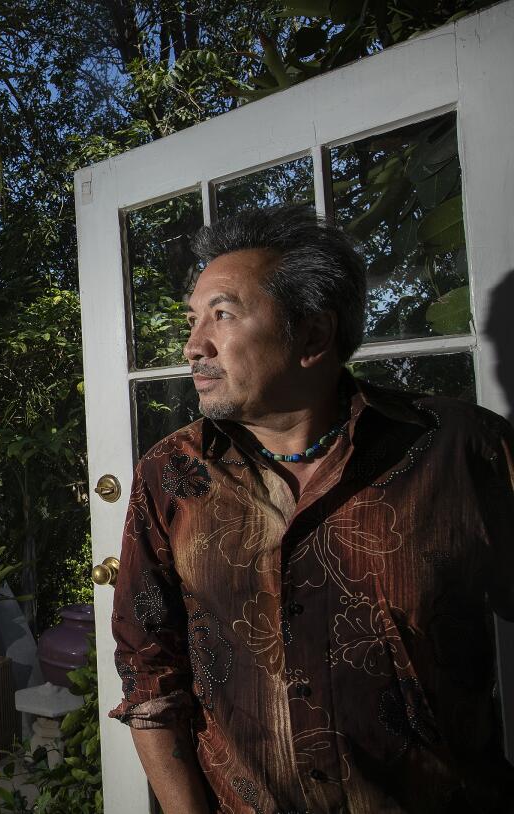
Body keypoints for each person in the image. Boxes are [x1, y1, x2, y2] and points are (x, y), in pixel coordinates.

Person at [111, 205, 514, 813]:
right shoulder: (169, 476)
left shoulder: (463, 450)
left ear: (314, 336)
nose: (194, 346)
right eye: (195, 320)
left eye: (222, 315)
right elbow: (150, 676)